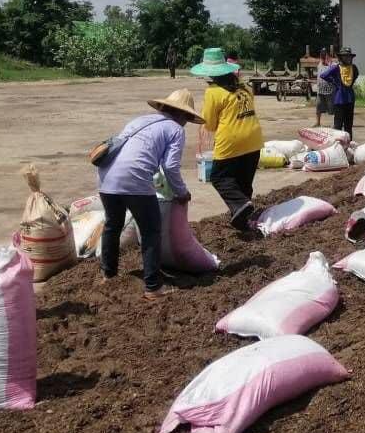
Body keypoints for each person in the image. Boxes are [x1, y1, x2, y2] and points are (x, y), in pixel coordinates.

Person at [97, 89, 201, 300]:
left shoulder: (140, 121)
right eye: (188, 118)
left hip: (106, 177)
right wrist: (182, 192)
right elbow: (170, 166)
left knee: (112, 226)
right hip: (134, 180)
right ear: (184, 115)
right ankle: (152, 287)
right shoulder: (175, 129)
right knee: (151, 232)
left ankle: (108, 275)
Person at [191, 48, 264, 231]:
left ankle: (240, 205)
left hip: (231, 140)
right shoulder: (244, 87)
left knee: (219, 177)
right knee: (243, 182)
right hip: (254, 139)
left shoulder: (213, 92)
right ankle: (241, 220)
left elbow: (209, 123)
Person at [319, 46, 358, 138]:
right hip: (339, 100)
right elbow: (324, 75)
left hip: (350, 99)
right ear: (341, 57)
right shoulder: (336, 68)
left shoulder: (354, 68)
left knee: (349, 125)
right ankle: (337, 146)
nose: (347, 58)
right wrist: (334, 82)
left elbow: (356, 75)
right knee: (338, 125)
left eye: (349, 56)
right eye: (345, 56)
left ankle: (349, 143)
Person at [315, 48, 335, 127]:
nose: (323, 58)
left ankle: (335, 123)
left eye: (325, 55)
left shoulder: (333, 65)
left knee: (332, 108)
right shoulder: (319, 64)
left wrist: (329, 62)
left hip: (330, 91)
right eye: (322, 56)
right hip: (320, 91)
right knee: (318, 107)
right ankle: (318, 122)